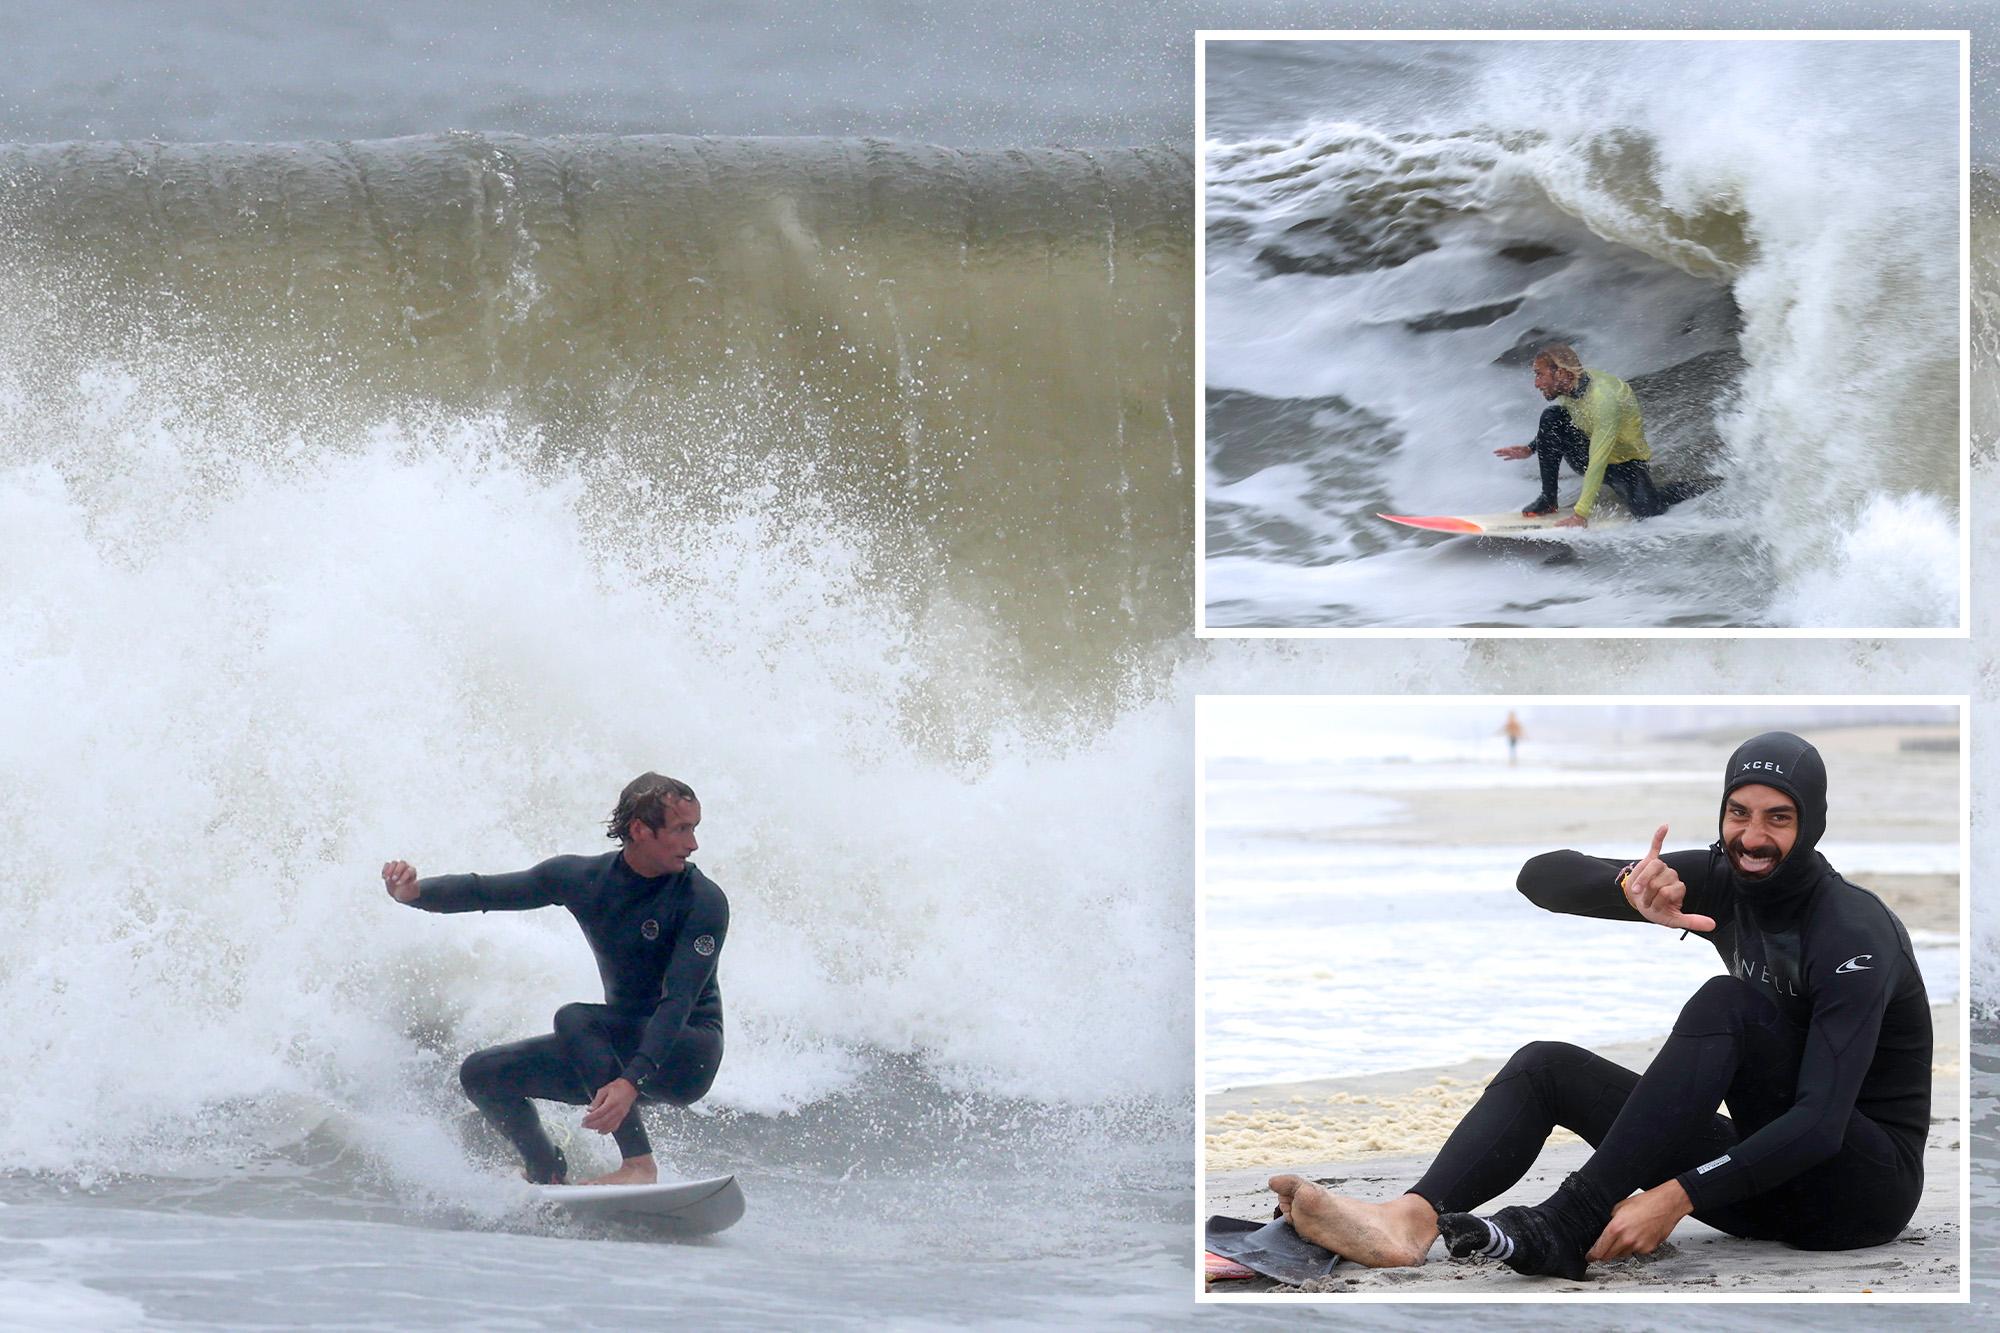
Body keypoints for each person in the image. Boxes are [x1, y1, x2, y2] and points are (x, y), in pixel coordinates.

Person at [1266, 732, 1932, 1281]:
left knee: (1729, 1002)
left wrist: (1674, 1197)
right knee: (1545, 1067)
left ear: (1810, 823)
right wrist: (1630, 886)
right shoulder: (1717, 878)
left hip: (1858, 1196)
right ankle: (1408, 1221)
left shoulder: (1853, 932)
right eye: (1738, 812)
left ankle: (1570, 1217)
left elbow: (1819, 1124)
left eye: (1777, 817)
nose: (1752, 837)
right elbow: (1541, 877)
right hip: (1761, 1179)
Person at [381, 773, 727, 1186]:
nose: (693, 844)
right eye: (681, 829)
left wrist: (631, 1081)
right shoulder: (583, 879)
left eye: (694, 829)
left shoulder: (702, 900)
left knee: (575, 1019)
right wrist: (416, 894)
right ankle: (546, 1171)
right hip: (612, 1052)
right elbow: (485, 892)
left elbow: (679, 1002)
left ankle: (638, 1165)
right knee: (483, 1074)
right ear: (639, 829)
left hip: (686, 1052)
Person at [1491, 345, 1703, 527]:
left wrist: (1580, 514)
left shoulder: (1604, 400)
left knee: (1648, 513)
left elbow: (1598, 460)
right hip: (1587, 451)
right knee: (1553, 415)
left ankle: (1676, 489)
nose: (1537, 384)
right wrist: (1531, 448)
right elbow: (1565, 425)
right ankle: (1548, 499)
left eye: (1539, 375)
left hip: (1625, 463)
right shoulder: (1567, 388)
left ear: (1561, 374)